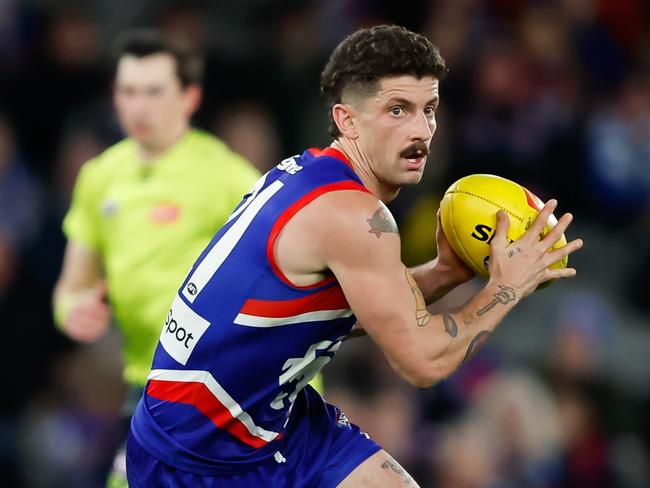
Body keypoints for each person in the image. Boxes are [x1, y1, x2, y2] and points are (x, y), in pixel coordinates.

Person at [126, 25, 583, 487]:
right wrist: (507, 287)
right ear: (347, 120)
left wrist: (446, 272)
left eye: (429, 110)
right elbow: (423, 362)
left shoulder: (313, 173)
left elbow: (348, 310)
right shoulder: (355, 216)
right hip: (196, 453)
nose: (421, 130)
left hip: (273, 420)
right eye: (397, 110)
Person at [52, 29, 260, 485]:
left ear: (190, 97)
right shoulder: (99, 177)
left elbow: (284, 274)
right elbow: (72, 285)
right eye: (128, 91)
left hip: (222, 389)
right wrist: (73, 310)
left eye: (153, 92)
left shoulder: (230, 178)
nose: (139, 106)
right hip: (145, 386)